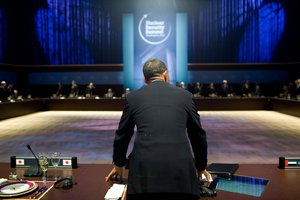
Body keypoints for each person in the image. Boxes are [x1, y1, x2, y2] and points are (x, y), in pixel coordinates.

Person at [105, 59, 211, 200]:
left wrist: (119, 164)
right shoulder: (185, 96)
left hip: (143, 176)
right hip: (181, 176)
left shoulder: (133, 97)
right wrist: (200, 166)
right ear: (165, 75)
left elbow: (122, 135)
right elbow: (197, 135)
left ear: (144, 78)